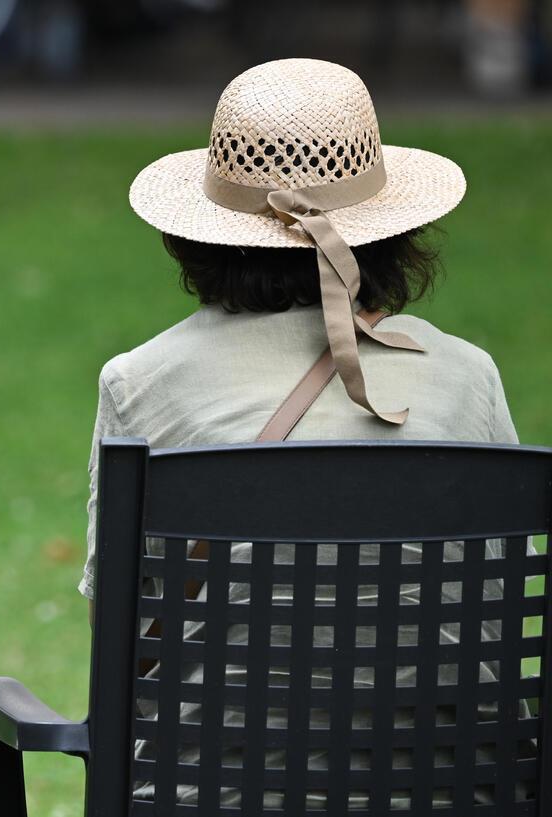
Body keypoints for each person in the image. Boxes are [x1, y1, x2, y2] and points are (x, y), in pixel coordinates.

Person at [79, 58, 521, 808]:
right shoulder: (466, 375)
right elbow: (502, 614)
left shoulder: (142, 383)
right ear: (388, 232)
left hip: (211, 786)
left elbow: (120, 635)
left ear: (202, 237)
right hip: (450, 783)